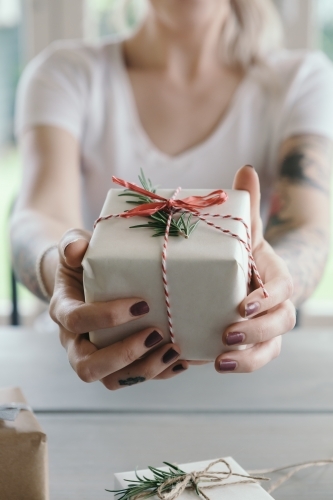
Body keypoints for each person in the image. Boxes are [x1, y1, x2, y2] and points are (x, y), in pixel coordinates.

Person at [10, 0, 333, 389]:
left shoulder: (301, 80)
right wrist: (63, 273)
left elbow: (306, 227)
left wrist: (274, 287)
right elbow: (39, 214)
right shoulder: (66, 73)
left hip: (248, 379)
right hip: (85, 377)